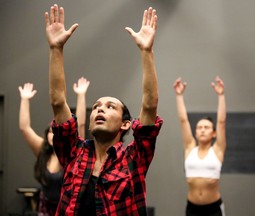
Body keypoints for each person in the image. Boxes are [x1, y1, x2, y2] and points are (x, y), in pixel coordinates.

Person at [45, 4, 163, 215]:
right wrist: (56, 49)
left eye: (110, 107)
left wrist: (146, 51)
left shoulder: (134, 158)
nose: (100, 110)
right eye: (97, 106)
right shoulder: (74, 153)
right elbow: (57, 101)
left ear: (125, 123)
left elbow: (150, 104)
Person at [18, 77, 90, 216]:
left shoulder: (72, 151)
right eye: (51, 132)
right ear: (47, 136)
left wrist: (81, 95)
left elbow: (80, 124)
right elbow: (24, 128)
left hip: (68, 208)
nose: (53, 135)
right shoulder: (43, 150)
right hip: (45, 209)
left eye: (56, 132)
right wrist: (25, 99)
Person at [173, 76, 226, 216]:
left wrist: (221, 95)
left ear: (214, 133)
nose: (202, 130)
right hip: (192, 208)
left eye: (207, 127)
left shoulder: (218, 149)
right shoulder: (190, 147)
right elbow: (183, 120)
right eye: (199, 127)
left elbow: (221, 122)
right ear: (195, 132)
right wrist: (179, 96)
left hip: (213, 209)